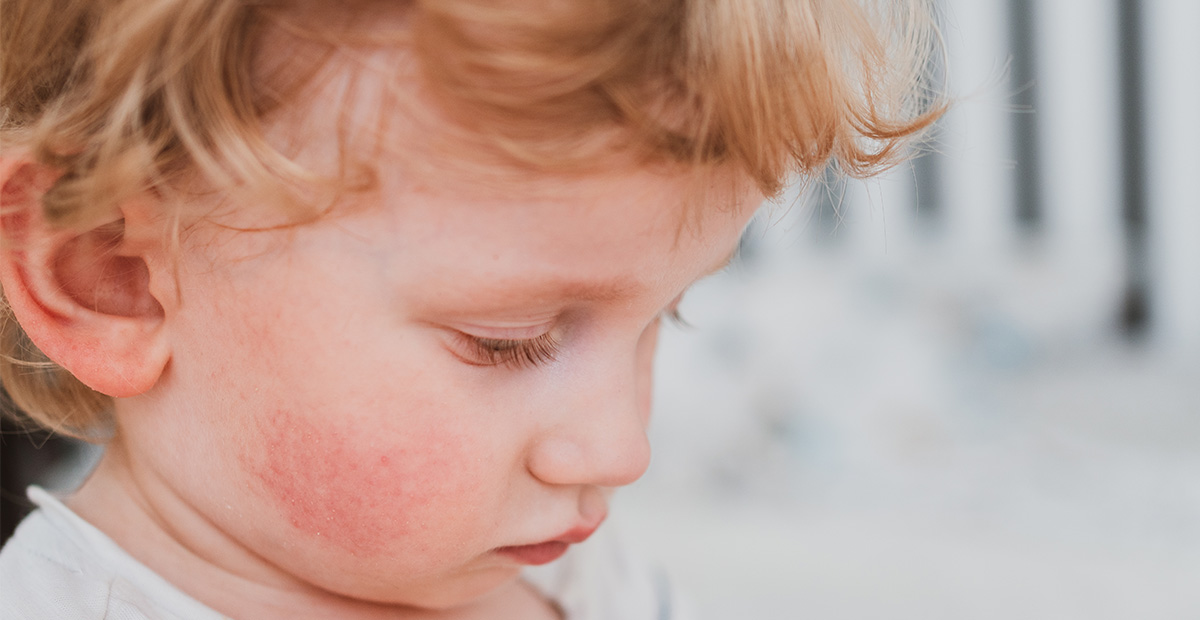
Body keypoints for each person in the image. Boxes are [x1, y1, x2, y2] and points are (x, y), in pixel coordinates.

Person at [0, 1, 942, 618]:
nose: (622, 450)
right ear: (111, 279)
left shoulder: (573, 584)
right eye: (512, 343)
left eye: (667, 316)